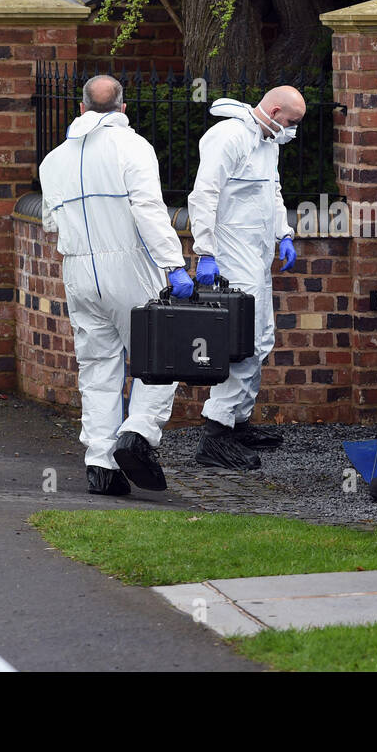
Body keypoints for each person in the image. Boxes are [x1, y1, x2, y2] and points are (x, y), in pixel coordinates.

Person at [39, 74, 195, 496]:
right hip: (128, 264)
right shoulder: (133, 147)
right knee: (160, 354)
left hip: (77, 270)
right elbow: (148, 210)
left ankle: (100, 464)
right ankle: (138, 434)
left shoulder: (53, 161)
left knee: (97, 367)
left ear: (81, 108)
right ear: (123, 109)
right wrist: (174, 265)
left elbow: (51, 221)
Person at [188, 85, 304, 469]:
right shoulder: (229, 137)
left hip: (254, 255)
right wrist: (204, 253)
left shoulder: (267, 142)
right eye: (291, 121)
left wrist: (283, 234)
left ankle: (237, 421)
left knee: (262, 337)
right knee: (243, 341)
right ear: (273, 110)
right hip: (230, 256)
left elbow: (272, 193)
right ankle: (216, 433)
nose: (292, 130)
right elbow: (204, 194)